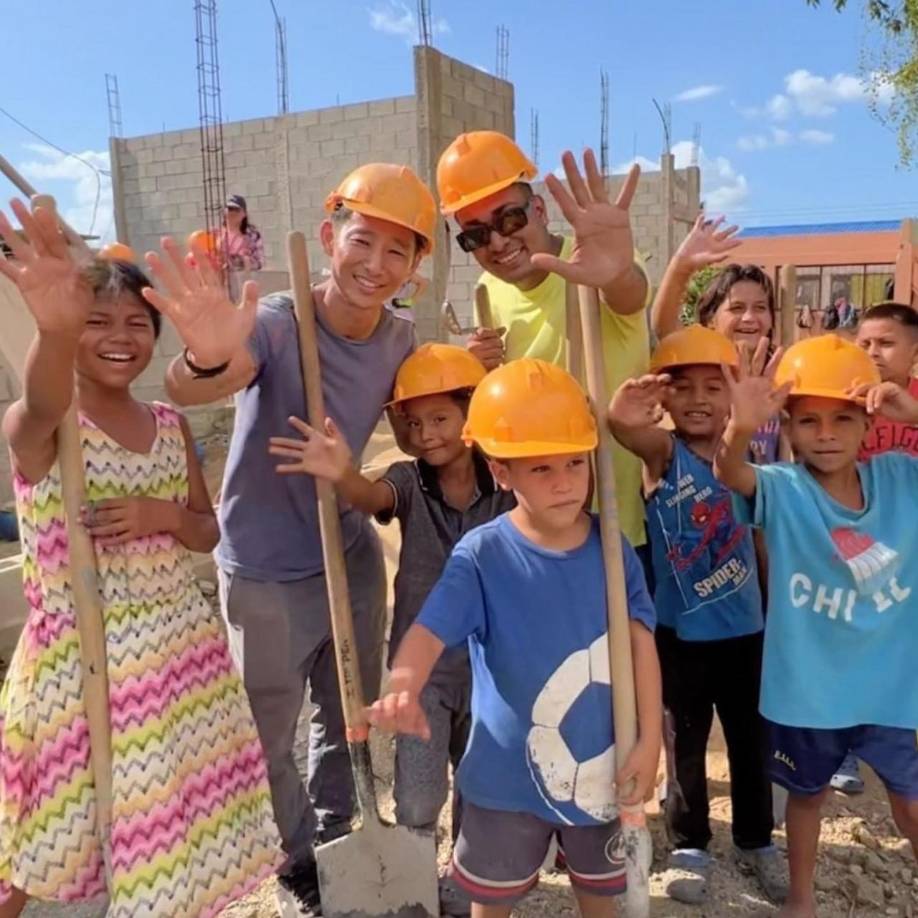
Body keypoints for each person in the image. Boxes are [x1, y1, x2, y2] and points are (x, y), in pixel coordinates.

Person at [142, 163, 436, 917]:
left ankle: (342, 828)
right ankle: (294, 852)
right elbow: (199, 382)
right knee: (269, 725)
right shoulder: (277, 321)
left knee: (349, 708)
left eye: (397, 252)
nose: (376, 265)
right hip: (266, 566)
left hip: (347, 553)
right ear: (332, 234)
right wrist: (205, 353)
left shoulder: (402, 339)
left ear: (418, 265)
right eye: (363, 240)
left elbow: (430, 422)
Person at [0, 202, 281, 917]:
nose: (120, 337)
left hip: (174, 660)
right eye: (97, 322)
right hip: (80, 659)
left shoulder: (168, 425)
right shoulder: (49, 424)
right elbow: (34, 400)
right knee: (49, 826)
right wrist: (56, 333)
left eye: (136, 324)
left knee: (161, 829)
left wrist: (162, 516)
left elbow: (204, 532)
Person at [367, 358, 663, 918]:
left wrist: (649, 739)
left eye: (576, 463)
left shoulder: (611, 547)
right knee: (490, 903)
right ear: (502, 473)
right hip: (503, 781)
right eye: (542, 469)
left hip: (604, 767)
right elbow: (429, 629)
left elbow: (640, 643)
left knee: (601, 897)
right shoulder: (482, 555)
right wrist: (404, 683)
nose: (565, 483)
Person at [268, 342, 515, 916]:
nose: (428, 433)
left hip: (491, 666)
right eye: (415, 422)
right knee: (418, 791)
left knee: (479, 783)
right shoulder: (408, 481)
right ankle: (413, 879)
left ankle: (466, 880)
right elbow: (369, 495)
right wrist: (341, 473)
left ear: (470, 415)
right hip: (421, 672)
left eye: (441, 419)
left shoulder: (504, 480)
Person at [714, 334, 918, 918]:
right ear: (789, 427)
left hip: (890, 691)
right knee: (806, 799)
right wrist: (738, 427)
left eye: (841, 419)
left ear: (869, 424)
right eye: (807, 421)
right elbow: (730, 471)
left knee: (909, 802)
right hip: (808, 692)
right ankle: (801, 900)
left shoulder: (903, 479)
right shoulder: (783, 488)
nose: (825, 434)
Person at [607, 325, 787, 905]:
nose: (700, 399)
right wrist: (622, 412)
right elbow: (627, 431)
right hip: (679, 633)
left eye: (716, 386)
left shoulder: (752, 456)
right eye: (683, 388)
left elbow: (761, 540)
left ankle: (757, 839)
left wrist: (772, 605)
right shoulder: (664, 453)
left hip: (747, 632)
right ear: (665, 398)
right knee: (684, 741)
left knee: (749, 741)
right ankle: (689, 842)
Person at [436, 130, 651, 555]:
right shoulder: (487, 292)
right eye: (475, 235)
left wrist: (616, 274)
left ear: (538, 209)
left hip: (623, 522)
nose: (497, 242)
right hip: (546, 528)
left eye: (509, 219)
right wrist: (478, 376)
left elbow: (630, 294)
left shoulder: (594, 261)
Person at [825, 302, 918, 795]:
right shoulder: (844, 398)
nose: (873, 353)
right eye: (864, 343)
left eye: (886, 343)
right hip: (856, 547)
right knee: (849, 645)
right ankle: (843, 755)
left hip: (910, 550)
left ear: (913, 352)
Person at [651, 214, 782, 464]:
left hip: (763, 498)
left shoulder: (782, 371)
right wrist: (681, 268)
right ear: (711, 319)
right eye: (737, 308)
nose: (749, 317)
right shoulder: (700, 362)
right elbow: (663, 327)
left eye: (760, 308)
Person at [219, 193, 265, 273]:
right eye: (230, 209)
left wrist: (241, 261)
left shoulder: (253, 235)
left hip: (245, 275)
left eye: (236, 210)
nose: (232, 212)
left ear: (244, 214)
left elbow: (259, 262)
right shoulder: (217, 234)